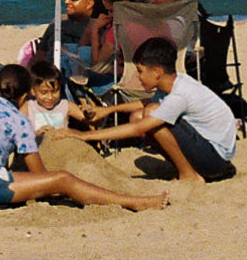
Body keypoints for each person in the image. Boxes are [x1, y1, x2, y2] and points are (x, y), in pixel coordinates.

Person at [0, 63, 166, 211]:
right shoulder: (19, 120)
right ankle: (134, 203)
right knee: (63, 179)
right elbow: (41, 176)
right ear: (27, 94)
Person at [65, 37, 237, 183]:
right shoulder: (173, 82)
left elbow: (139, 129)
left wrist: (84, 135)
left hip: (215, 161)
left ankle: (189, 175)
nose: (137, 76)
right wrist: (108, 110)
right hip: (210, 151)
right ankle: (184, 168)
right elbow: (143, 103)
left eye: (140, 71)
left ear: (156, 72)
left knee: (149, 114)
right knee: (140, 114)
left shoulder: (180, 95)